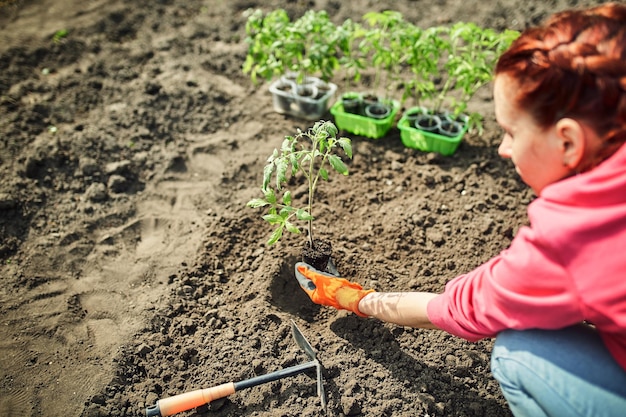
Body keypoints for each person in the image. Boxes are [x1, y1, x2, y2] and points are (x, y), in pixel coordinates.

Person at [294, 3, 626, 416]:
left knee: (519, 351)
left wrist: (356, 299)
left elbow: (457, 310)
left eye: (509, 132)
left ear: (568, 142)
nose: (503, 150)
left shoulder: (573, 234)